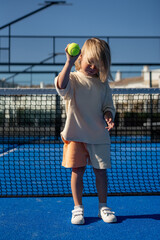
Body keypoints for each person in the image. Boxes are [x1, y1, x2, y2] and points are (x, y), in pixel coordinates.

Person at [55, 38, 117, 225]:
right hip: (75, 134)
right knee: (77, 171)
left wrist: (109, 115)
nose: (92, 67)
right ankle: (77, 208)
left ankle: (103, 207)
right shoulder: (72, 79)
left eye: (97, 65)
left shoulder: (103, 84)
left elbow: (108, 106)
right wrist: (68, 61)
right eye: (89, 62)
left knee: (101, 172)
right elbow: (60, 85)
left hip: (98, 135)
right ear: (80, 58)